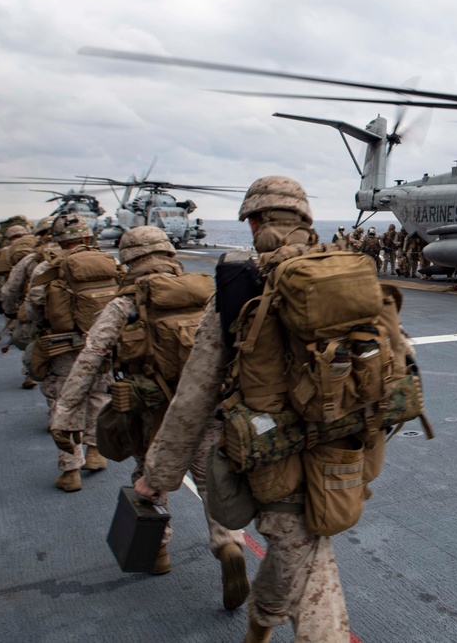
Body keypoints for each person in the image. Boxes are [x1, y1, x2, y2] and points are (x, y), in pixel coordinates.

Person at [134, 176, 351, 642]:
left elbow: (194, 395)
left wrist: (157, 476)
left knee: (302, 552)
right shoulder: (350, 276)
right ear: (306, 220)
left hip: (275, 457)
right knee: (306, 549)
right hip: (346, 452)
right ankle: (260, 624)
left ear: (253, 222)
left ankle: (263, 623)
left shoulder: (241, 287)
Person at [48, 226, 249, 595]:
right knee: (211, 482)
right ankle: (229, 543)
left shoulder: (125, 305)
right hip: (203, 409)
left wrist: (64, 413)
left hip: (150, 412)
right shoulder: (207, 295)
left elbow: (90, 357)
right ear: (169, 254)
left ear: (128, 259)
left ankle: (158, 553)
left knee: (149, 479)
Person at [23, 214, 113, 492]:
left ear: (57, 238)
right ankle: (96, 452)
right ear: (88, 237)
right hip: (100, 345)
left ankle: (70, 469)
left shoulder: (48, 267)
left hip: (63, 347)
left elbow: (33, 306)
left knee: (64, 402)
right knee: (98, 395)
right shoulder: (108, 262)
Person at [0, 216, 58, 389]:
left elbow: (10, 290)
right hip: (81, 319)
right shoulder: (90, 256)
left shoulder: (32, 260)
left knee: (35, 345)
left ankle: (31, 373)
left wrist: (10, 312)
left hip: (40, 317)